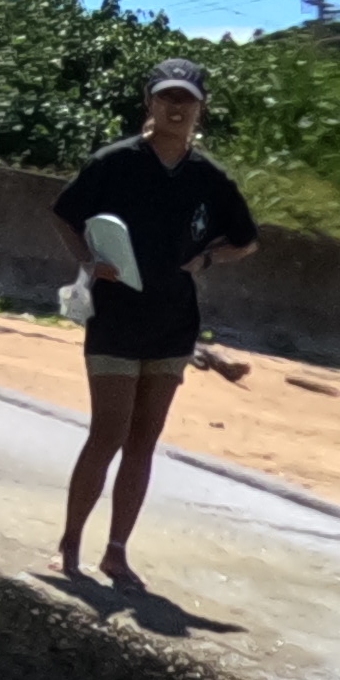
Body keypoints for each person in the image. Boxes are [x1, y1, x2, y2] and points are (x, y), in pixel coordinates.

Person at [53, 61, 265, 597]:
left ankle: (117, 552)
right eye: (166, 97)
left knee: (144, 442)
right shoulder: (115, 162)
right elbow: (65, 214)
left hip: (174, 325)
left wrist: (208, 261)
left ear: (200, 107)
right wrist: (88, 261)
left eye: (187, 99)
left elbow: (246, 240)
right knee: (108, 433)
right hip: (115, 318)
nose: (177, 107)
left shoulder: (209, 178)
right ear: (149, 103)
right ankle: (71, 545)